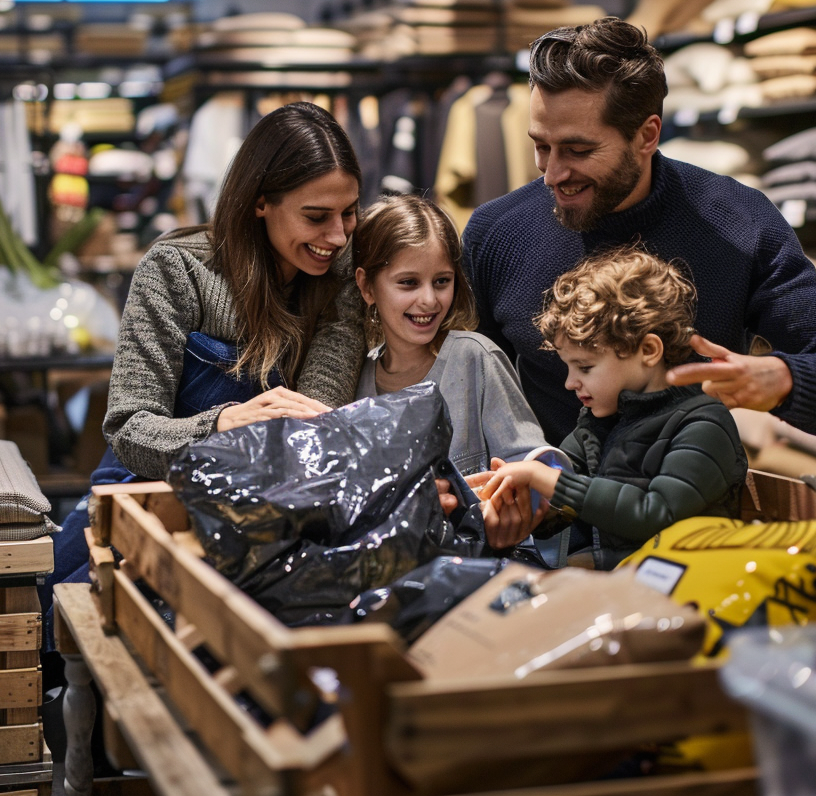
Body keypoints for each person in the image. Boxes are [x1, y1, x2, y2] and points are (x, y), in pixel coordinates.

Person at [462, 17, 816, 446]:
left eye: (578, 150)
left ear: (647, 135)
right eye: (541, 146)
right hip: (545, 504)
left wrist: (782, 379)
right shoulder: (496, 233)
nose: (553, 174)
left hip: (689, 500)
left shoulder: (738, 222)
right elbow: (464, 396)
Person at [43, 102, 365, 640]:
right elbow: (129, 429)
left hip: (266, 505)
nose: (336, 236)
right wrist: (222, 426)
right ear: (261, 202)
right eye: (316, 217)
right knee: (52, 616)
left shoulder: (341, 281)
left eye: (349, 213)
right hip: (146, 490)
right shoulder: (177, 271)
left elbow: (314, 422)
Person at [477, 246, 748, 568]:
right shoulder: (595, 424)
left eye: (585, 367)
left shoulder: (702, 424)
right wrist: (521, 506)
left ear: (648, 350)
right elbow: (565, 500)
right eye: (568, 367)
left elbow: (656, 513)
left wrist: (548, 480)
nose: (570, 382)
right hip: (622, 576)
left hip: (687, 585)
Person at [352, 194, 546, 480]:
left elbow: (530, 465)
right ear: (367, 287)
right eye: (409, 283)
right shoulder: (356, 377)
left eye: (442, 281)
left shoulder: (475, 358)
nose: (429, 300)